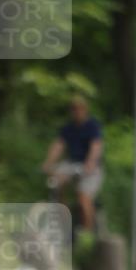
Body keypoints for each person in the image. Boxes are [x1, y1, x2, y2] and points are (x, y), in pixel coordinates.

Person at [42, 96, 103, 231]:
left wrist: (90, 163)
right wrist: (48, 162)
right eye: (73, 109)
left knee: (83, 197)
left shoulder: (92, 126)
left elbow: (96, 146)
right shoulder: (68, 128)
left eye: (79, 109)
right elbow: (58, 145)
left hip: (90, 168)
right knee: (56, 182)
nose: (76, 112)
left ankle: (87, 234)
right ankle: (63, 219)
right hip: (72, 164)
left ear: (85, 110)